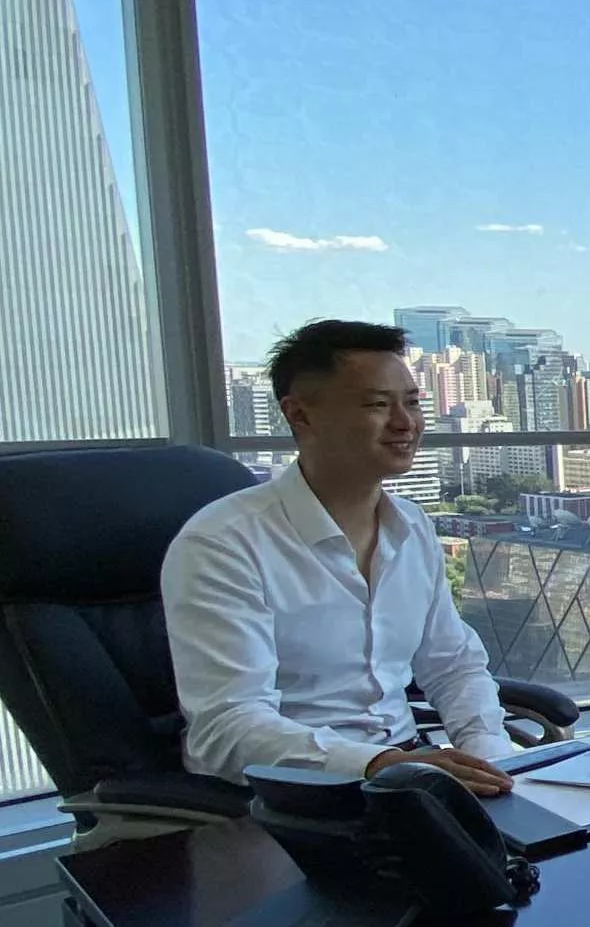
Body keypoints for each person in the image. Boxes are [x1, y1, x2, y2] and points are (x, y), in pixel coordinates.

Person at [164, 319, 520, 794]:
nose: (405, 423)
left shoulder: (412, 526)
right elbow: (227, 727)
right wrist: (380, 764)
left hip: (407, 776)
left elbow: (453, 664)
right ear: (300, 415)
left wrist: (491, 758)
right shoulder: (224, 542)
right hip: (281, 794)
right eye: (377, 404)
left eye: (413, 402)